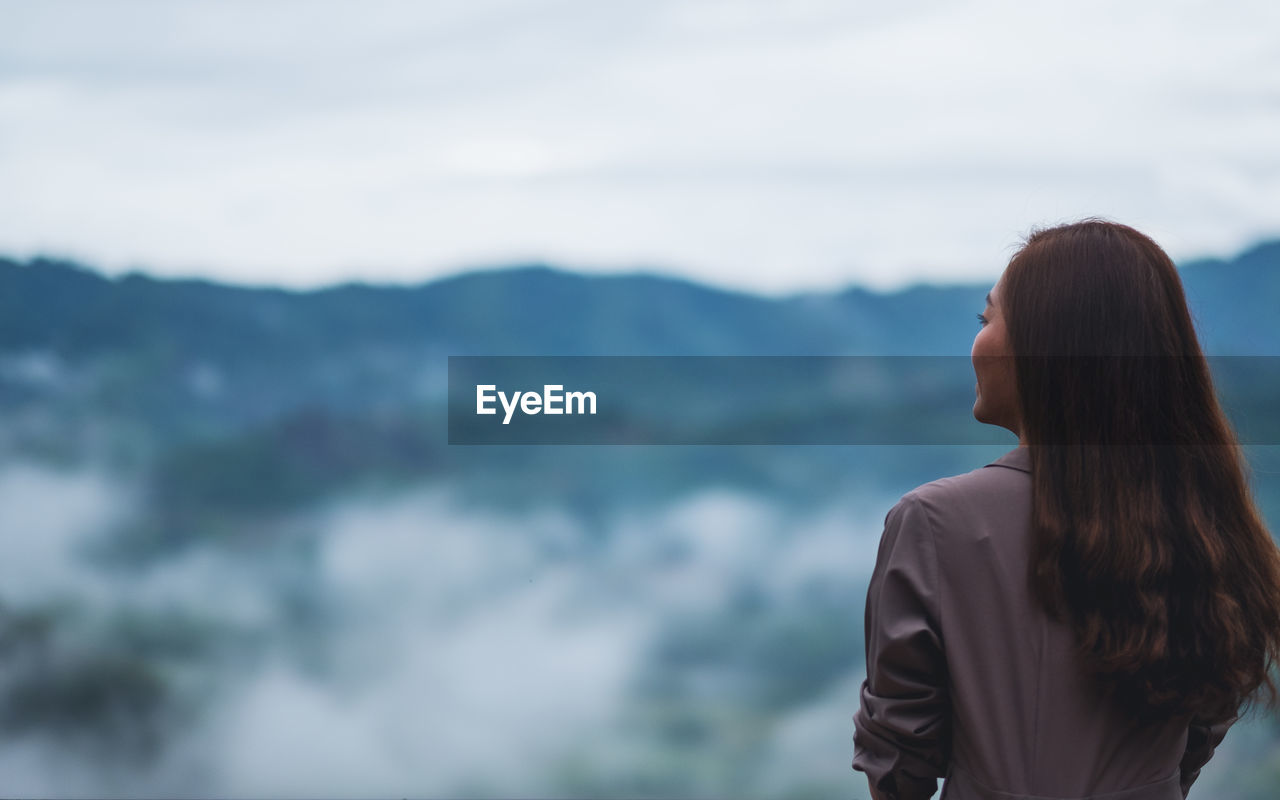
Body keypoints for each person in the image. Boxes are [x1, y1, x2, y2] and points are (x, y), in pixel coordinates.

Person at [851, 219, 1280, 799]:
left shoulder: (933, 524)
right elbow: (1204, 718)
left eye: (987, 320)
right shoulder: (1207, 523)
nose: (975, 343)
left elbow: (899, 756)